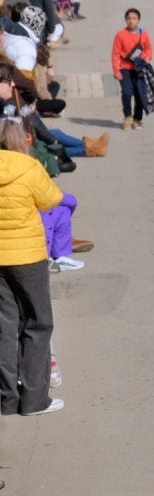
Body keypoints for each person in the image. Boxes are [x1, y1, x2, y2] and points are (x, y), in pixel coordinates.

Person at [0, 103, 66, 417]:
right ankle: (35, 398)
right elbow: (52, 198)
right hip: (27, 257)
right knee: (38, 324)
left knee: (5, 325)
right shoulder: (28, 168)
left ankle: (8, 399)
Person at [111, 7, 152, 130]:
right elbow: (115, 53)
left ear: (138, 20)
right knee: (127, 93)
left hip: (139, 69)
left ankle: (137, 119)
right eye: (129, 18)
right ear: (125, 20)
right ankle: (127, 117)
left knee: (140, 94)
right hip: (125, 69)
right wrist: (116, 70)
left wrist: (147, 57)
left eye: (134, 18)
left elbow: (148, 48)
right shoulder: (120, 35)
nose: (131, 21)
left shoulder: (143, 34)